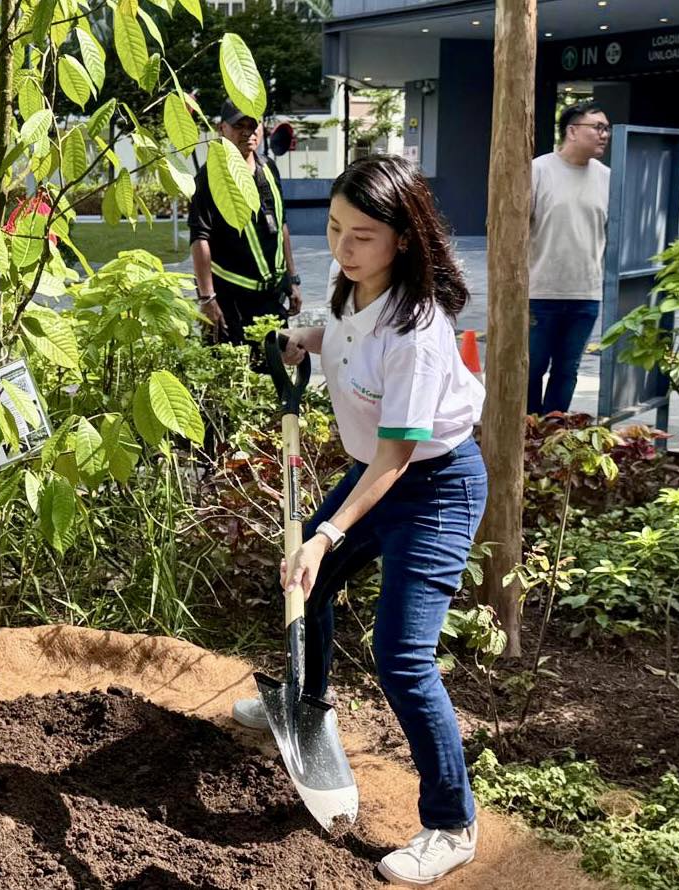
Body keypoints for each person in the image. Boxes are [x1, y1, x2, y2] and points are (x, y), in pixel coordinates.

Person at [231, 156, 487, 886]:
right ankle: (308, 705)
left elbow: (394, 462)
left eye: (363, 236)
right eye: (334, 228)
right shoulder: (354, 290)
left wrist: (325, 534)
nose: (343, 247)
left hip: (431, 486)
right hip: (377, 473)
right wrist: (303, 339)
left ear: (404, 238)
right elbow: (343, 331)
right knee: (301, 585)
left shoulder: (418, 331)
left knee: (403, 656)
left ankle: (450, 824)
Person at [189, 99, 302, 345]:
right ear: (222, 129)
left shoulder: (268, 167)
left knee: (273, 371)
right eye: (239, 126)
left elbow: (281, 224)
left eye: (253, 125)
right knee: (232, 375)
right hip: (231, 302)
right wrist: (207, 299)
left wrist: (293, 280)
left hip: (273, 298)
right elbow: (199, 238)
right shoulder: (210, 177)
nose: (247, 133)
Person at [527, 100, 611, 416]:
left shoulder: (607, 177)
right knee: (532, 370)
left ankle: (554, 433)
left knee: (567, 370)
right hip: (540, 292)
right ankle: (528, 434)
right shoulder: (538, 170)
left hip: (586, 294)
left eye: (607, 129)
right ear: (572, 131)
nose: (604, 135)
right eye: (598, 127)